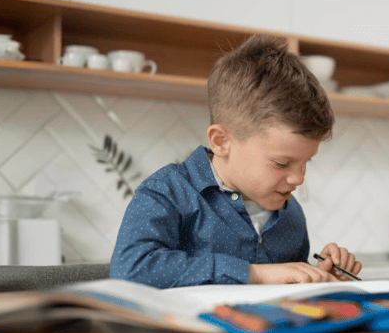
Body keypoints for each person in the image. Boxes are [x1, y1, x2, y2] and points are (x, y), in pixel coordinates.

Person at [110, 34, 361, 288]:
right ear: (221, 142)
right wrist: (256, 274)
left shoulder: (291, 214)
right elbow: (130, 269)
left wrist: (320, 277)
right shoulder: (167, 192)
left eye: (307, 161)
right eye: (282, 163)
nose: (299, 178)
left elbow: (288, 293)